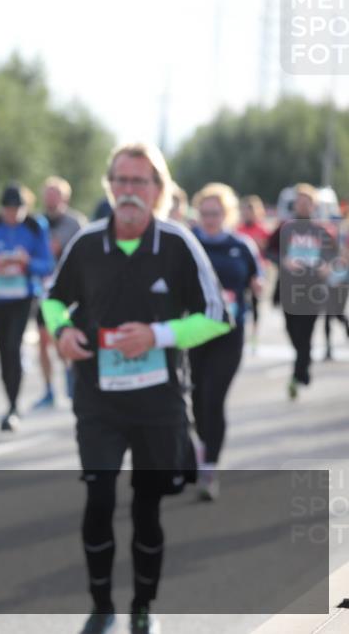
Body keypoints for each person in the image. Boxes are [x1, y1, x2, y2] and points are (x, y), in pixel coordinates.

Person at [42, 142, 231, 634]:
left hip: (158, 402)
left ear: (158, 191)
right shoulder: (86, 243)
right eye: (121, 181)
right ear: (110, 187)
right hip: (98, 401)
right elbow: (53, 300)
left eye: (140, 182)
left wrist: (158, 336)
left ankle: (143, 606)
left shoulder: (177, 244)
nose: (129, 191)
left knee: (147, 505)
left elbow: (216, 317)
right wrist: (62, 332)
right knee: (99, 499)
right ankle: (101, 605)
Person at [189, 183, 263, 500]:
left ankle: (209, 468)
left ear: (226, 214)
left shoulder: (241, 245)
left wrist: (258, 286)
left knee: (212, 398)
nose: (209, 219)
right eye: (204, 213)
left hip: (229, 334)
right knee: (195, 400)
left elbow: (255, 277)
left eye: (215, 213)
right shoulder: (189, 244)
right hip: (194, 332)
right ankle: (203, 448)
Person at [0, 183, 53, 431]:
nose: (13, 215)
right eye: (8, 209)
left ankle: (14, 406)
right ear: (1, 208)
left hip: (23, 297)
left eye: (18, 209)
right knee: (3, 351)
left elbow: (46, 264)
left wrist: (26, 263)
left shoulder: (36, 227)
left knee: (13, 346)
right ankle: (10, 400)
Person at [265, 183, 340, 399]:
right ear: (294, 205)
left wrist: (328, 266)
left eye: (307, 203)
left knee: (305, 335)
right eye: (299, 202)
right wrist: (283, 261)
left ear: (313, 205)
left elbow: (334, 257)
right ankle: (303, 364)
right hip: (288, 289)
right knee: (292, 332)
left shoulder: (322, 230)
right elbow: (268, 251)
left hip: (312, 290)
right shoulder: (284, 228)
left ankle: (299, 374)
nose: (303, 206)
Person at [33, 175, 86, 410]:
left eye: (56, 194)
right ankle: (48, 390)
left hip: (69, 293)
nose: (51, 198)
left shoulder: (75, 223)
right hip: (43, 291)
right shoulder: (36, 222)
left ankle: (72, 378)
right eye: (48, 193)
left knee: (63, 338)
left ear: (65, 197)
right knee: (43, 342)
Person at [236, 195, 270, 350]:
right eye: (244, 211)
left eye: (249, 211)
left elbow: (268, 250)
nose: (246, 214)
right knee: (242, 301)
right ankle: (242, 331)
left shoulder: (262, 229)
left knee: (256, 304)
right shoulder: (238, 229)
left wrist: (260, 245)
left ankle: (255, 334)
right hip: (242, 271)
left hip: (258, 271)